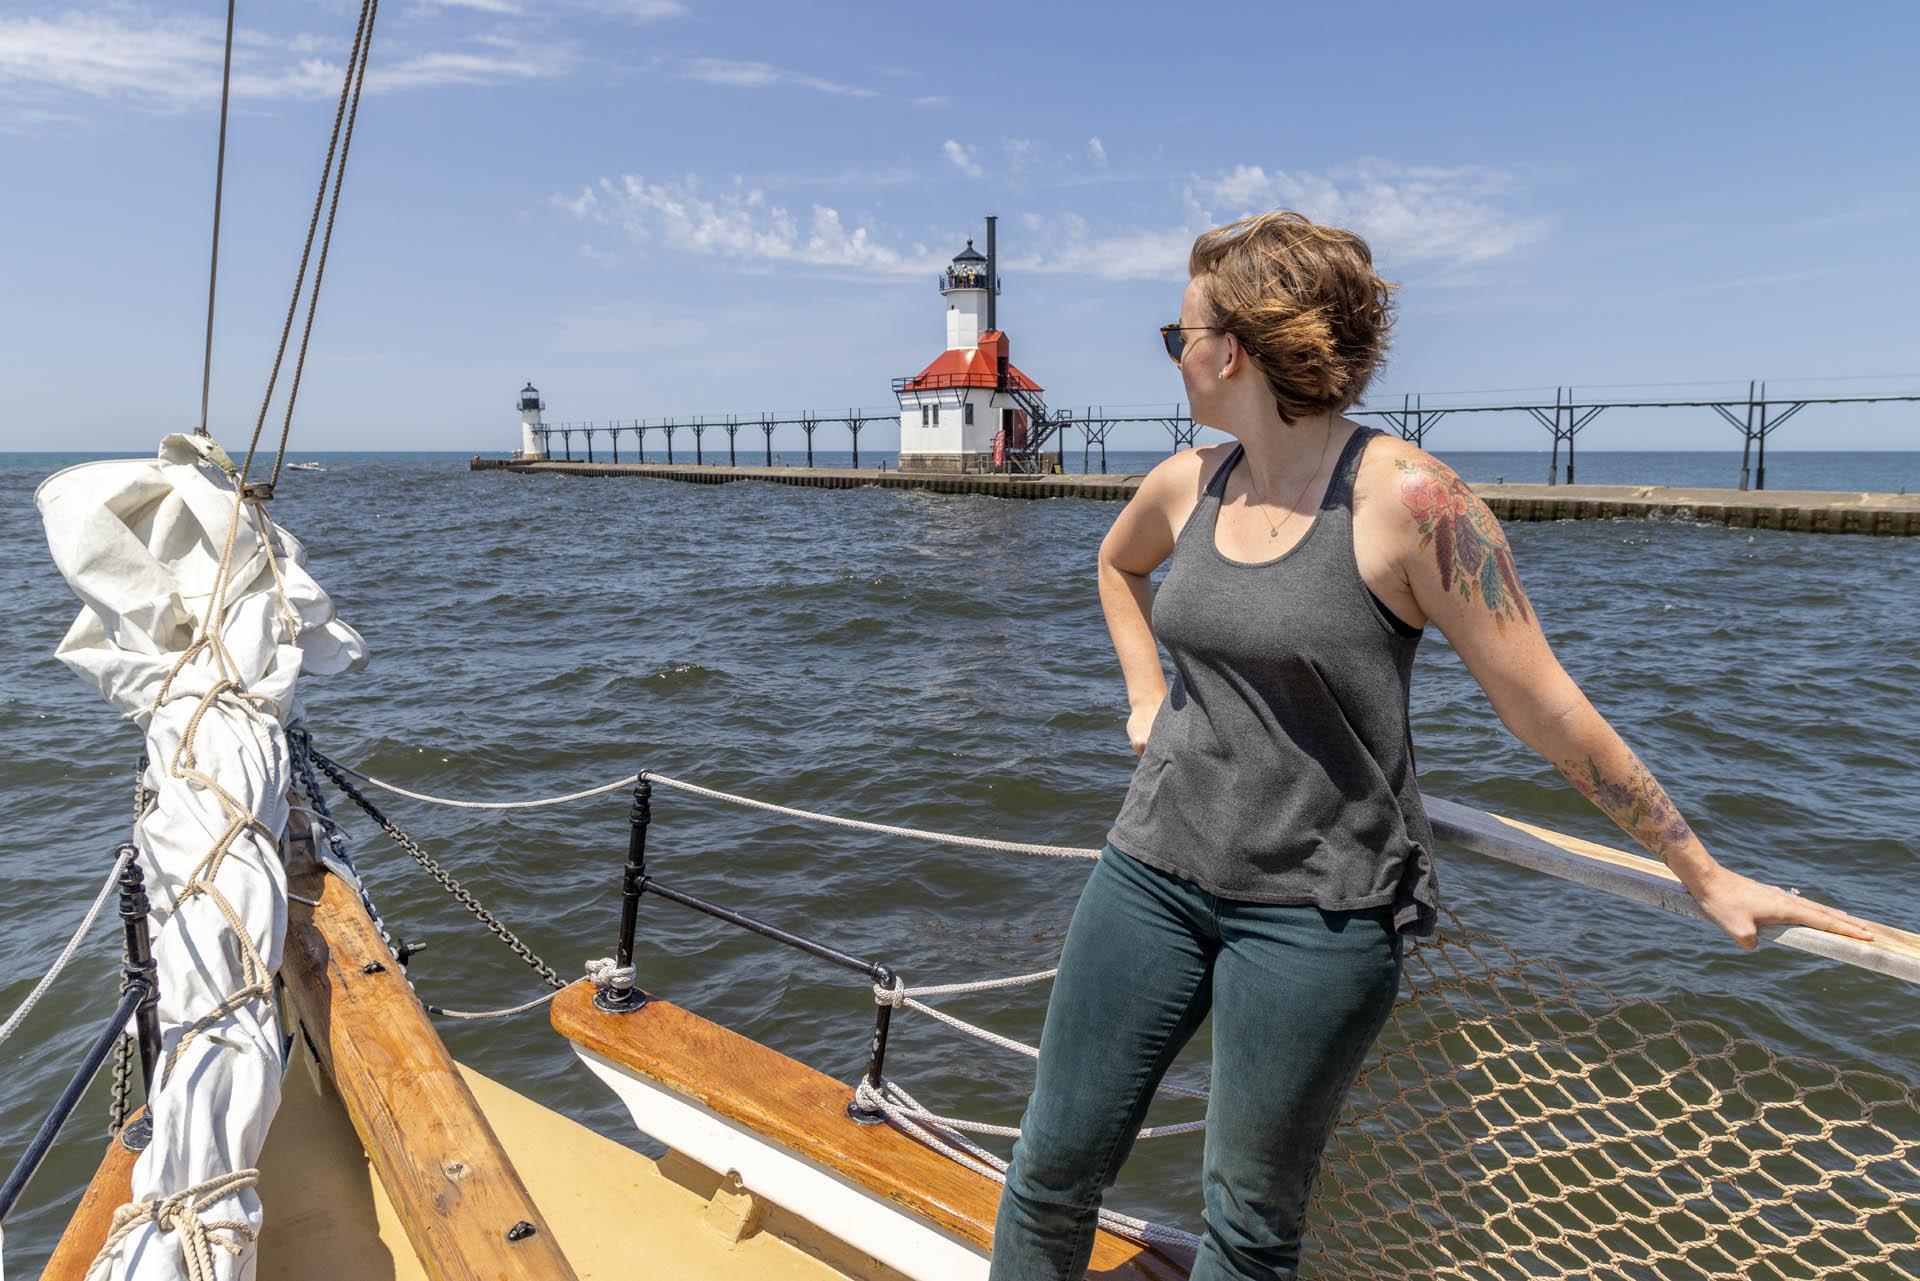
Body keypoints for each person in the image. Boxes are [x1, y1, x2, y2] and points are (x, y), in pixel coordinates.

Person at [986, 209, 1875, 1280]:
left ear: (1235, 351)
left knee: (1247, 1229)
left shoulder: (1415, 503)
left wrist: (1702, 872)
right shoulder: (1192, 480)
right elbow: (1117, 566)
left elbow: (1547, 708)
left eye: (1179, 336)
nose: (1174, 356)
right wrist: (1145, 699)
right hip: (1150, 874)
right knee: (1049, 1168)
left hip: (1315, 913)